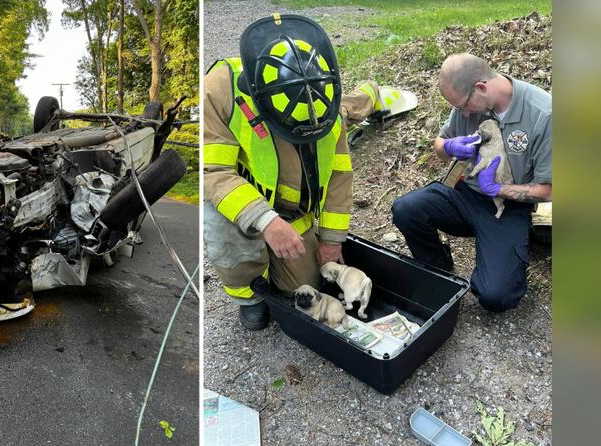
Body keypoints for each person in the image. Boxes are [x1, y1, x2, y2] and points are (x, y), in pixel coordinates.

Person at [203, 14, 385, 330]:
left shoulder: (324, 97)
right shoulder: (222, 89)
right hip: (244, 213)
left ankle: (371, 93)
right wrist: (265, 220)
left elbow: (340, 173)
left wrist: (331, 239)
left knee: (302, 289)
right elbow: (214, 172)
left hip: (292, 217)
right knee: (217, 218)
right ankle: (250, 297)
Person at [392, 53, 552, 312]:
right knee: (406, 209)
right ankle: (438, 266)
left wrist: (498, 189)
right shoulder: (466, 102)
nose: (462, 112)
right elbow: (439, 144)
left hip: (507, 208)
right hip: (464, 193)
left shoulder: (543, 114)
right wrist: (449, 146)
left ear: (480, 87)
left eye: (464, 106)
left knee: (496, 296)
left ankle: (503, 256)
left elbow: (550, 190)